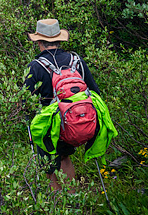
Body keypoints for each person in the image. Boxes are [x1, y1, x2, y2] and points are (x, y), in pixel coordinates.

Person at [23, 18, 101, 191]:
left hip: (49, 126)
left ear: (39, 42)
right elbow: (94, 92)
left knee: (48, 164)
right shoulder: (76, 60)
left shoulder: (35, 67)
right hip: (73, 122)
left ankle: (56, 207)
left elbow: (25, 102)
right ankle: (72, 200)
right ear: (59, 39)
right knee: (65, 158)